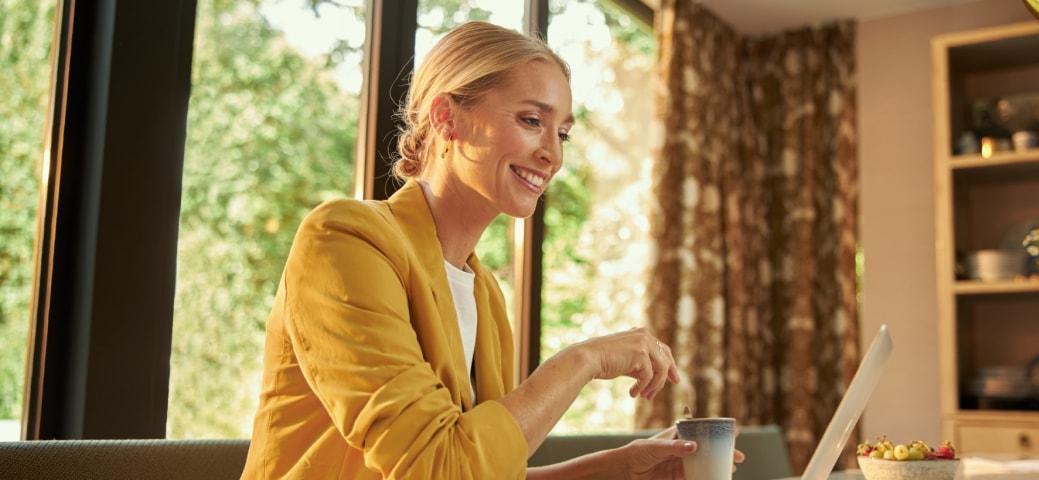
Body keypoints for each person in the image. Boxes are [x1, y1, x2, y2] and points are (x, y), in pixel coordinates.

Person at [241, 21, 742, 479]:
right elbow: (440, 467)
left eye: (562, 132)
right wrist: (585, 360)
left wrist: (627, 467)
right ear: (447, 118)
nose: (553, 153)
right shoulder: (345, 241)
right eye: (531, 120)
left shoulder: (484, 293)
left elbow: (480, 470)